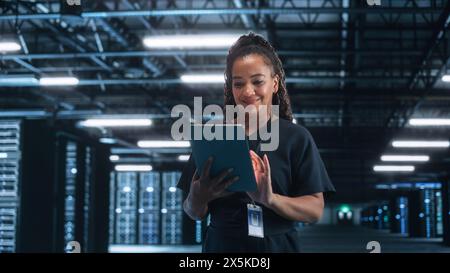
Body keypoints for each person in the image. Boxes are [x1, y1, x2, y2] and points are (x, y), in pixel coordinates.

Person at [177, 32, 335, 252]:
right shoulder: (211, 135)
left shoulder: (296, 138)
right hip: (222, 246)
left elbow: (315, 210)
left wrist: (271, 199)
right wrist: (197, 198)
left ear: (275, 84)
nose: (247, 92)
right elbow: (192, 211)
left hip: (277, 246)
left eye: (258, 81)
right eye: (238, 84)